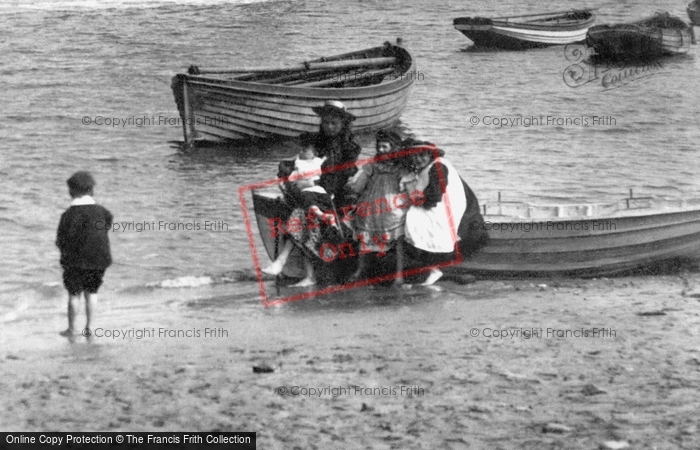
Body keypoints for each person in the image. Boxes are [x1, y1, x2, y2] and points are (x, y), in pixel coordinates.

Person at [400, 139, 486, 286]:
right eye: (414, 156)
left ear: (430, 155)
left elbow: (434, 196)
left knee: (414, 222)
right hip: (440, 203)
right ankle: (424, 269)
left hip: (449, 208)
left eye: (422, 155)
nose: (418, 159)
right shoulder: (429, 167)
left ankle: (431, 268)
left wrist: (417, 200)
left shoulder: (438, 167)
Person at [263, 133, 338, 287]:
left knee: (300, 223)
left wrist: (308, 182)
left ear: (315, 152)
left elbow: (323, 182)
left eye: (306, 149)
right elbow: (290, 183)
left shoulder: (322, 163)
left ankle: (281, 262)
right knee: (301, 230)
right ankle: (303, 273)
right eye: (301, 149)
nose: (302, 152)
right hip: (307, 201)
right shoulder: (298, 165)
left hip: (319, 198)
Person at [345, 129, 409, 285]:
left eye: (385, 147)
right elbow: (360, 183)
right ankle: (360, 269)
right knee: (364, 238)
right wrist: (353, 188)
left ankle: (399, 275)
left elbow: (407, 184)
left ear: (394, 148)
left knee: (398, 239)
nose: (380, 150)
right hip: (371, 205)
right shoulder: (372, 166)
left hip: (392, 205)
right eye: (379, 147)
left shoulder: (400, 168)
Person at [56, 171, 113, 337]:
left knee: (74, 294)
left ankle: (72, 329)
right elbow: (107, 223)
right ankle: (90, 327)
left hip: (75, 260)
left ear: (71, 191)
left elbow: (61, 239)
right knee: (92, 292)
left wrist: (64, 255)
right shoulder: (102, 211)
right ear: (91, 190)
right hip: (99, 258)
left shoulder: (68, 215)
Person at [312, 100, 362, 208]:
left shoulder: (350, 145)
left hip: (340, 184)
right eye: (326, 122)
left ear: (343, 124)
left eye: (334, 123)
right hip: (319, 181)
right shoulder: (316, 141)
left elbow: (345, 172)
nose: (329, 127)